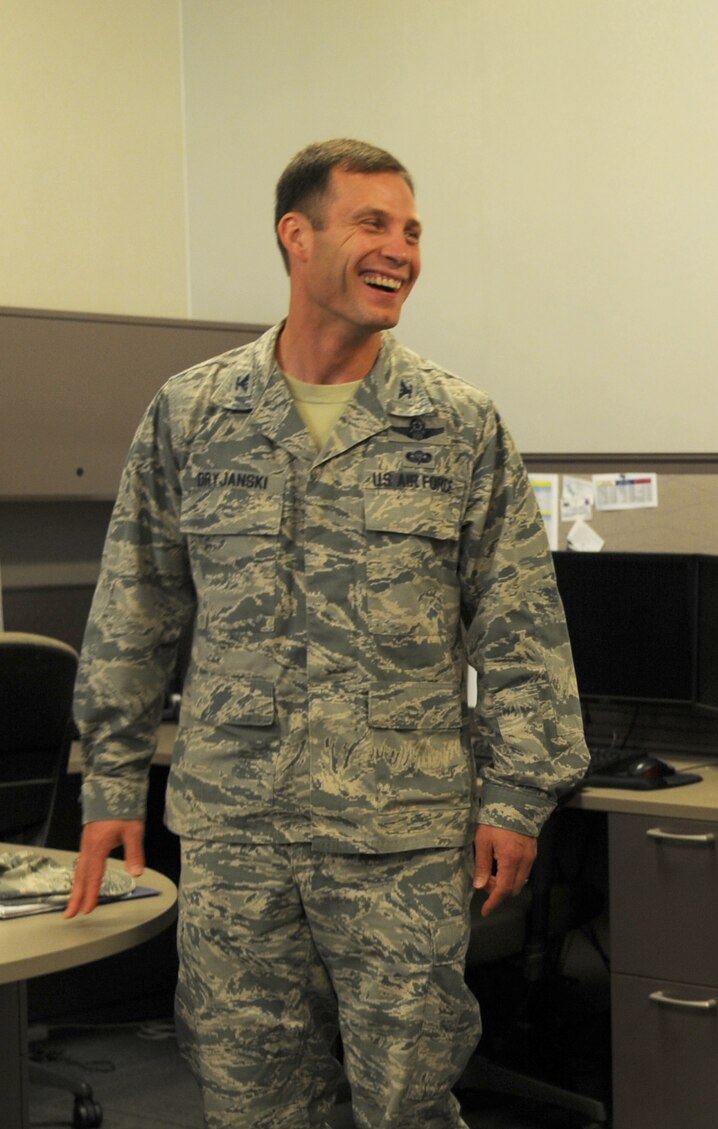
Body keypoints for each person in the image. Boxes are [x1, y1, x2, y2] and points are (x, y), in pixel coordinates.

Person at [65, 139, 587, 1126]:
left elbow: (521, 627)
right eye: (373, 224)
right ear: (296, 237)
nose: (400, 250)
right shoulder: (194, 413)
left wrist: (518, 795)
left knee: (408, 1103)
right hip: (236, 838)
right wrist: (112, 780)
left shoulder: (455, 423)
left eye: (412, 230)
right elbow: (136, 606)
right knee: (251, 1102)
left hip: (396, 840)